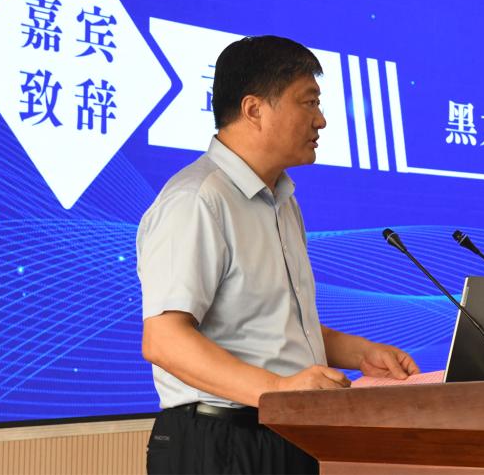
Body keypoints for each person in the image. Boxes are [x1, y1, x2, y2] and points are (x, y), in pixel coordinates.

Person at [137, 35, 419, 475]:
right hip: (220, 441)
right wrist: (279, 390)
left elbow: (272, 325)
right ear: (254, 110)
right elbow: (164, 340)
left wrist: (362, 353)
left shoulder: (282, 201)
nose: (321, 120)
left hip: (285, 432)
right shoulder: (198, 199)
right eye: (309, 102)